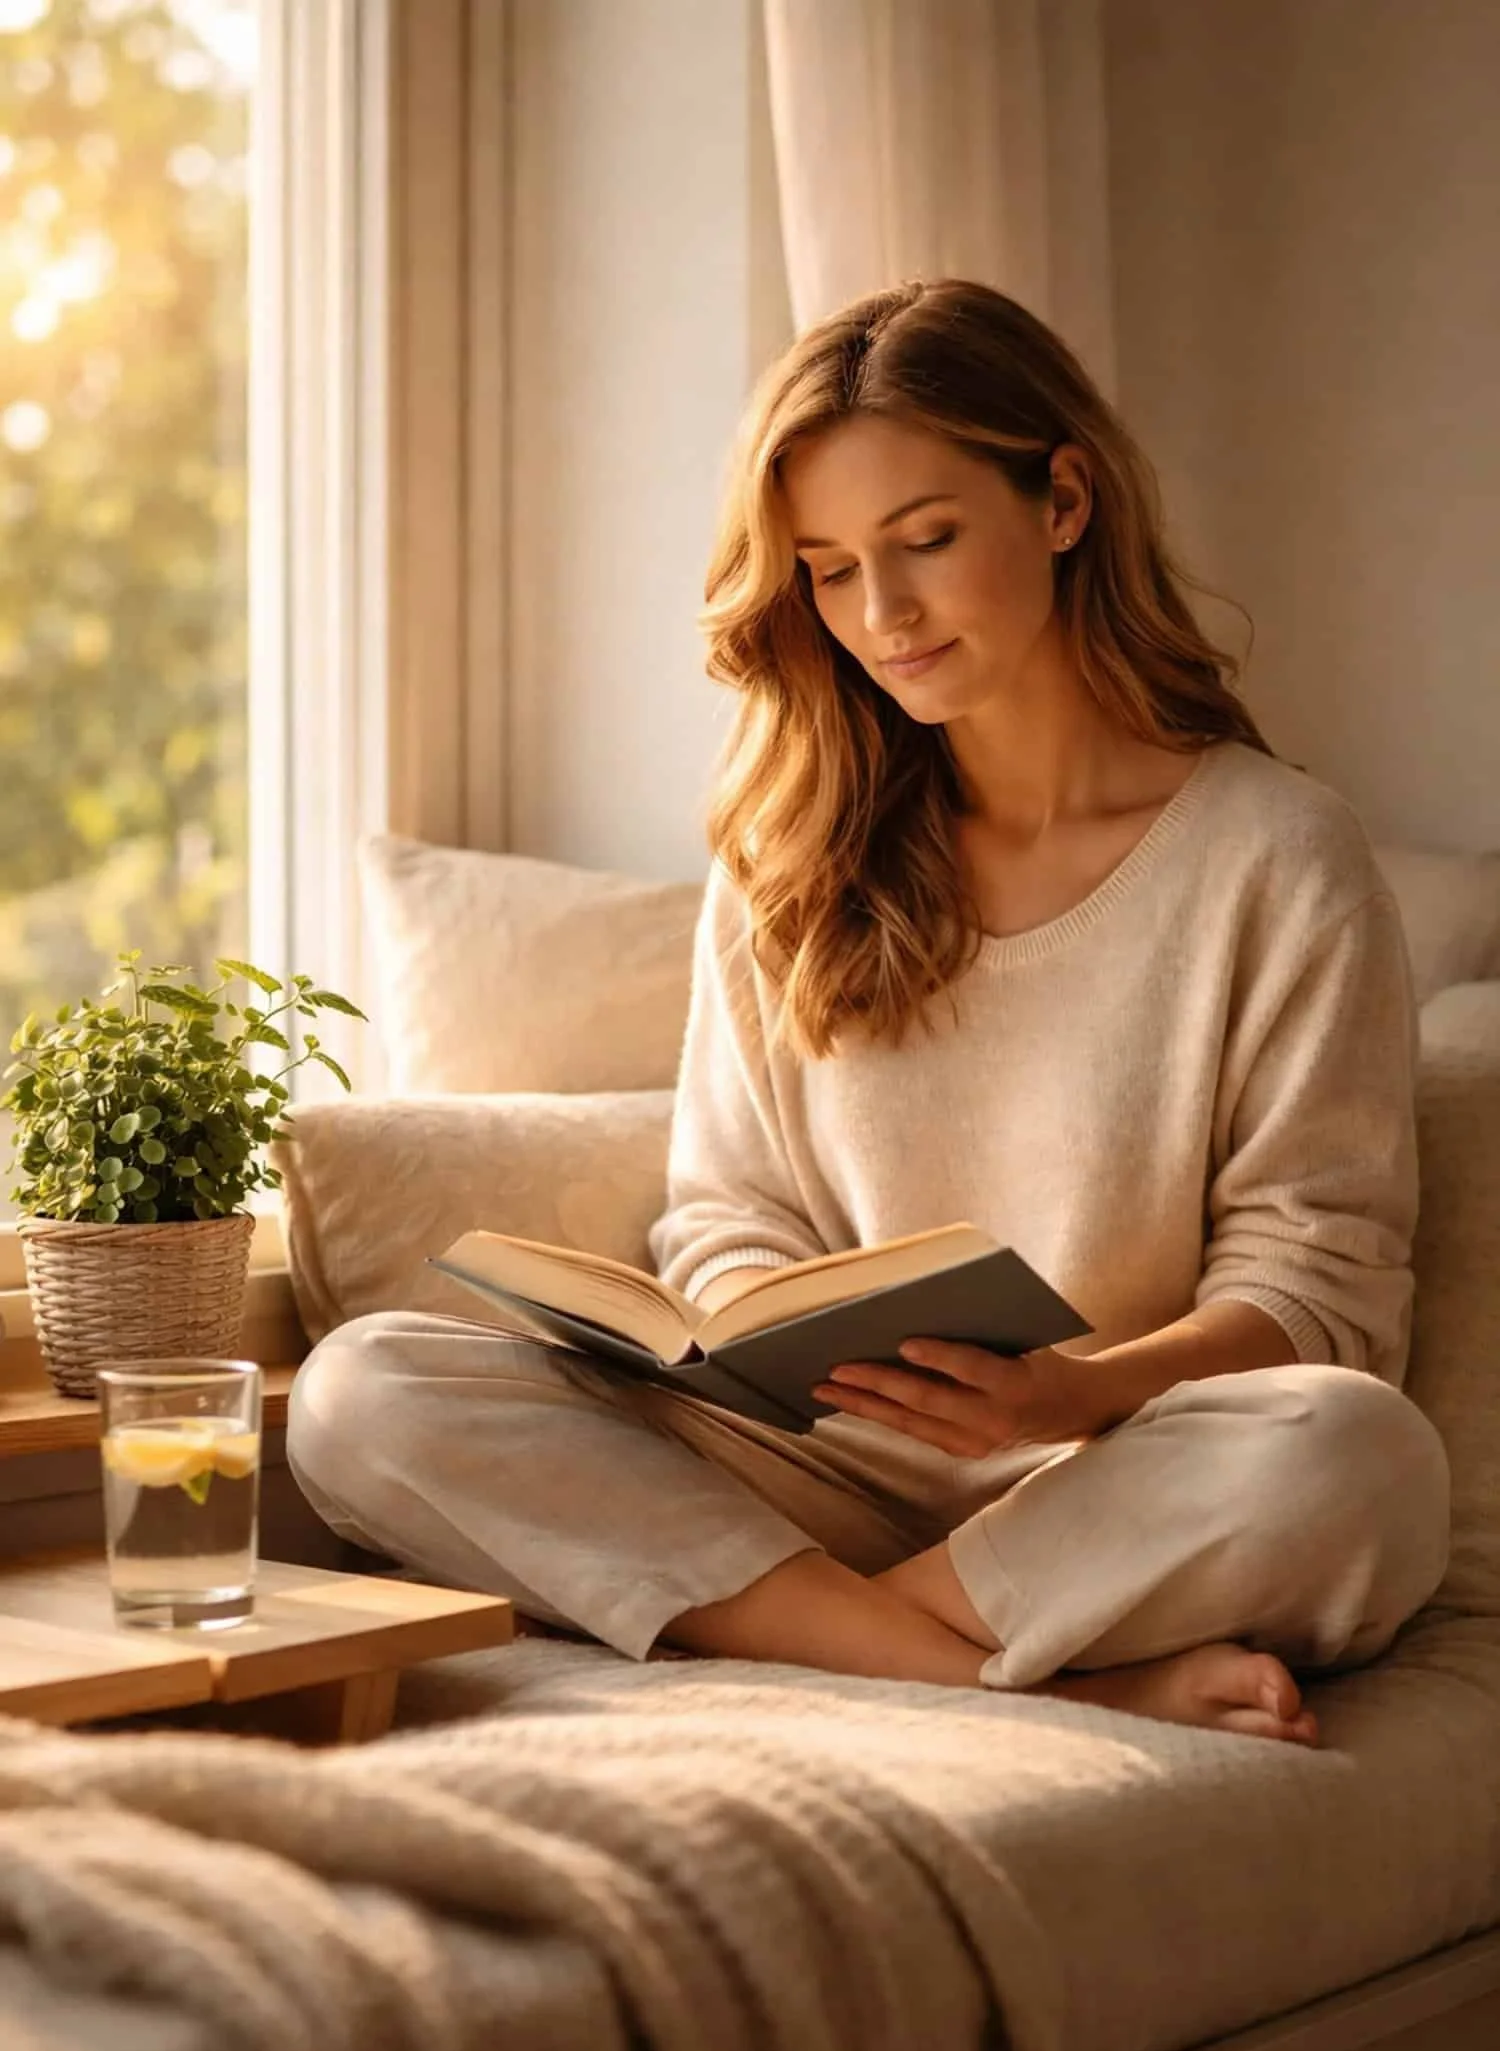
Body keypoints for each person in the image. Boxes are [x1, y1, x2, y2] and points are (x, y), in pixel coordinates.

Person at [287, 278, 1451, 1746]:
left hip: (1113, 1465)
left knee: (1358, 1460)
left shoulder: (1277, 857)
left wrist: (1062, 1394)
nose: (881, 615)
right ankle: (1003, 1675)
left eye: (926, 541)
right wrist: (743, 1331)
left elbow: (1323, 1298)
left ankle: (796, 1626)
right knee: (360, 1389)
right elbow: (728, 1210)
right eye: (830, 570)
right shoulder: (791, 847)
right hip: (815, 1462)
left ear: (1065, 501)